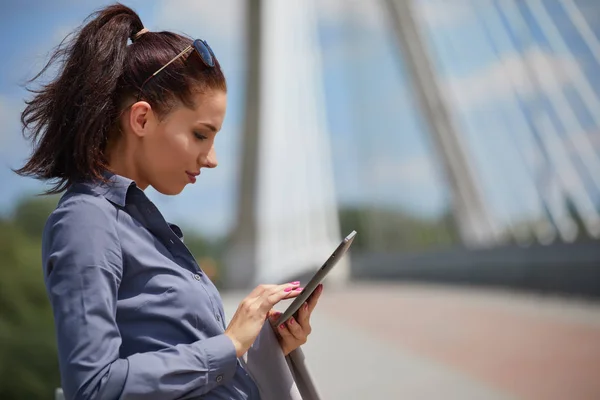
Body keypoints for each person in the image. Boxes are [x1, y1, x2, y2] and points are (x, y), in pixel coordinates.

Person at [15, 4, 323, 399]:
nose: (212, 158)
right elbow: (92, 388)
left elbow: (195, 371)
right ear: (141, 119)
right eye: (200, 135)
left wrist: (265, 344)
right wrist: (228, 345)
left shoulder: (140, 222)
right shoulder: (86, 221)